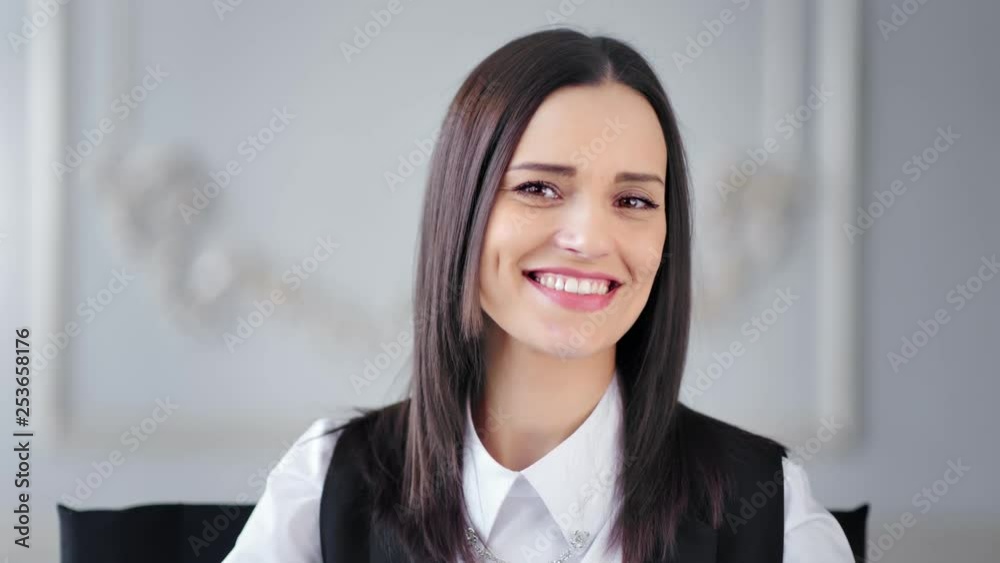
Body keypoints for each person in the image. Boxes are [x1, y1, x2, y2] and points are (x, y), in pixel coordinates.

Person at [222, 28, 854, 563]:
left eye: (633, 200)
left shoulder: (769, 506)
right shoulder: (327, 481)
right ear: (462, 210)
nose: (587, 239)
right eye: (540, 190)